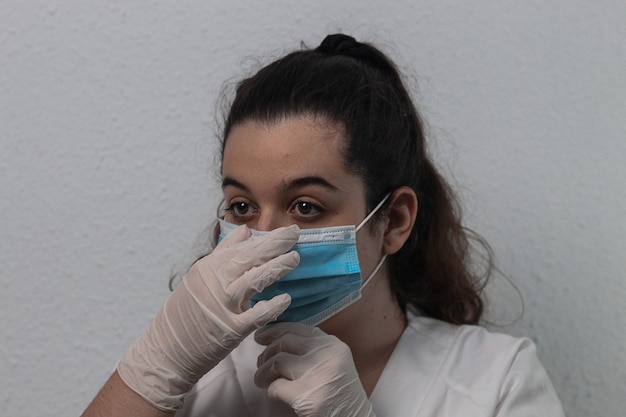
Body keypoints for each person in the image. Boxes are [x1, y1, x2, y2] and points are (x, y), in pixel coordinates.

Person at [81, 34, 565, 417]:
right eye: (243, 206)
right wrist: (154, 370)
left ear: (394, 221)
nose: (265, 237)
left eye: (305, 206)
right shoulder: (199, 379)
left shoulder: (495, 382)